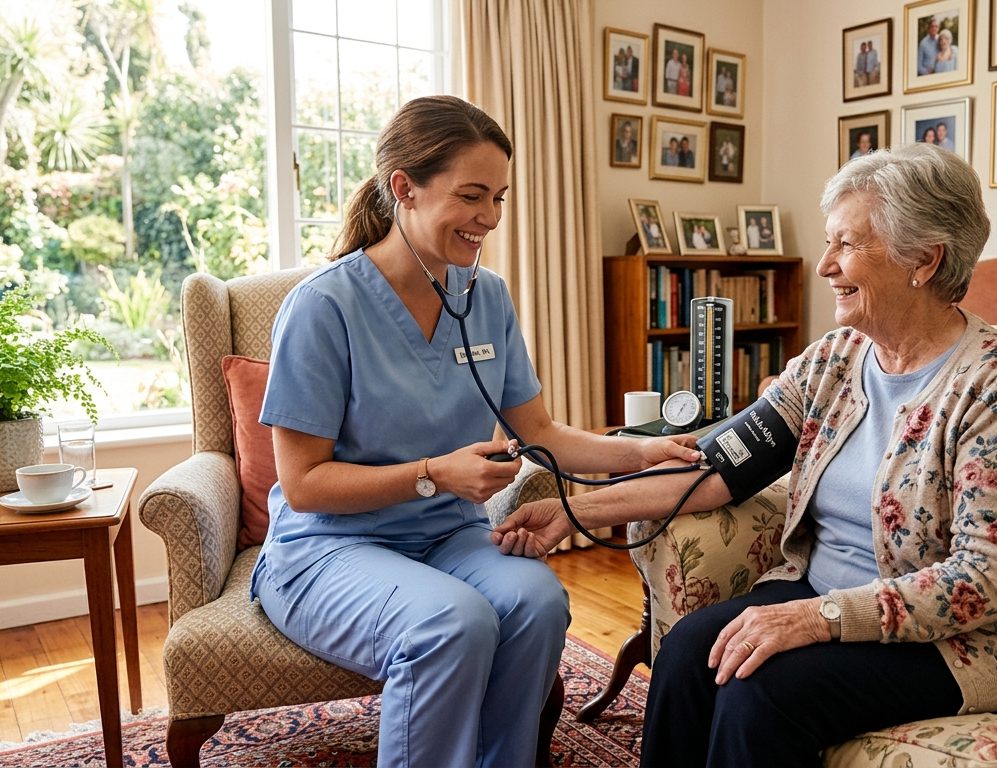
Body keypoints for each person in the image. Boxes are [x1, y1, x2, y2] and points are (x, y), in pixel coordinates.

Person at [493, 143, 997, 768]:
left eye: (847, 245)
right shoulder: (834, 360)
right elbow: (714, 469)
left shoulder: (996, 383)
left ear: (924, 260)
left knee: (760, 694)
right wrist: (573, 510)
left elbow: (983, 581)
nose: (825, 264)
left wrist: (819, 617)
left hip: (972, 639)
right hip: (829, 597)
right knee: (691, 650)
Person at [252, 95, 700, 768]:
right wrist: (435, 473)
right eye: (471, 196)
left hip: (445, 537)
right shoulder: (322, 308)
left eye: (498, 197)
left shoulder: (484, 295)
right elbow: (304, 485)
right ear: (403, 188)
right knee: (449, 622)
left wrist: (642, 450)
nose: (489, 218)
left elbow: (542, 430)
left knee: (538, 599)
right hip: (328, 551)